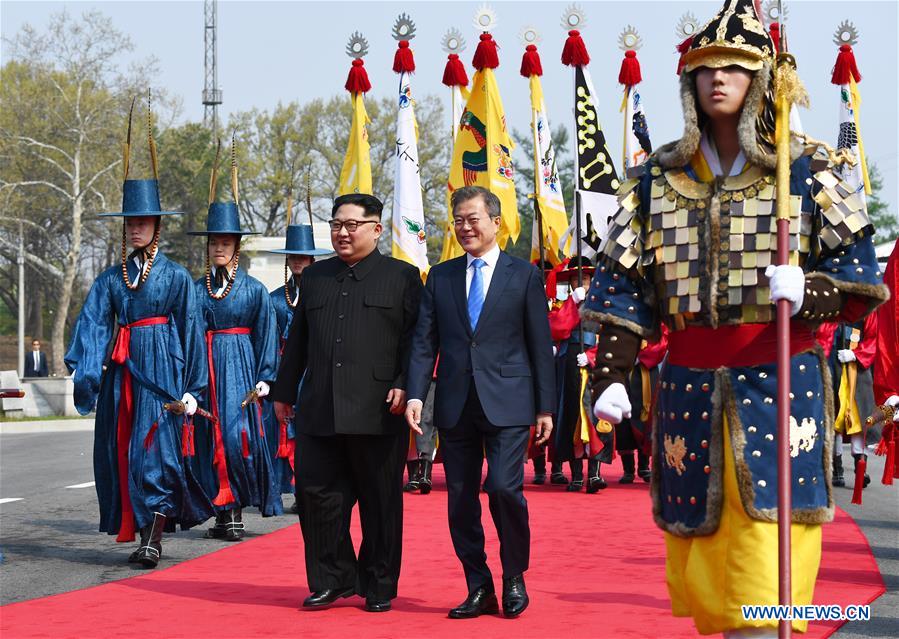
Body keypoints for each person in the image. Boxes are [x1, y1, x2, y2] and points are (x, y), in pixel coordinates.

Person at [580, 1, 888, 635]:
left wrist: (813, 290)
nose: (717, 79)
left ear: (761, 81)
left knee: (766, 575)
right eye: (705, 69)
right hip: (688, 389)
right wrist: (608, 374)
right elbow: (623, 290)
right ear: (689, 83)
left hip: (778, 384)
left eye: (734, 69)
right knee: (707, 581)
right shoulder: (653, 183)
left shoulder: (804, 169)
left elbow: (864, 280)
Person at [65, 112, 211, 568]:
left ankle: (154, 537)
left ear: (157, 225)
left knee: (157, 451)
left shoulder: (177, 278)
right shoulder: (110, 279)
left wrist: (191, 388)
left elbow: (191, 328)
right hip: (121, 376)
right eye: (129, 221)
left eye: (143, 220)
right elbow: (91, 326)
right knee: (123, 451)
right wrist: (88, 372)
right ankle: (138, 528)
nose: (134, 227)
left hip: (162, 372)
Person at [405, 185, 555, 619]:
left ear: (495, 221)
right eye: (459, 220)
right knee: (460, 498)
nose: (466, 227)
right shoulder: (441, 275)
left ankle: (513, 577)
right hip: (455, 403)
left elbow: (539, 344)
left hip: (509, 401)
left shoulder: (523, 275)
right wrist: (417, 394)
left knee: (505, 489)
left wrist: (545, 407)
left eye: (474, 218)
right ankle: (478, 584)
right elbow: (423, 342)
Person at [271, 193, 422, 613]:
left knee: (380, 504)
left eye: (352, 224)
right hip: (320, 407)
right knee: (316, 497)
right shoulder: (316, 277)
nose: (342, 232)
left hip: (378, 410)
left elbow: (416, 341)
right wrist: (284, 391)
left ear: (376, 228)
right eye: (337, 224)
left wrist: (404, 384)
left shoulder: (403, 277)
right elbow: (297, 340)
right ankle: (332, 579)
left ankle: (378, 584)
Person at [189, 156, 282, 541]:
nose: (219, 248)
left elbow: (267, 335)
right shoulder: (195, 289)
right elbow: (186, 334)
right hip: (205, 367)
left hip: (242, 368)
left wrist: (266, 378)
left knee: (237, 437)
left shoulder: (255, 290)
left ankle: (237, 507)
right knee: (208, 438)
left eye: (226, 241)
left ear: (237, 246)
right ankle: (220, 512)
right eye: (214, 242)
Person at [265, 220, 330, 511]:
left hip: (316, 369)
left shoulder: (325, 292)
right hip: (286, 368)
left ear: (313, 259)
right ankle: (283, 490)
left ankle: (313, 488)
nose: (298, 262)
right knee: (283, 431)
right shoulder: (276, 299)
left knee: (314, 431)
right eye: (293, 257)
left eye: (303, 257)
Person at [816, 314, 877, 490]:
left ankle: (861, 466)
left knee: (858, 417)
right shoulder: (831, 305)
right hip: (831, 365)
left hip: (856, 368)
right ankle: (836, 467)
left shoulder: (867, 309)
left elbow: (873, 338)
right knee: (834, 416)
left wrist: (856, 354)